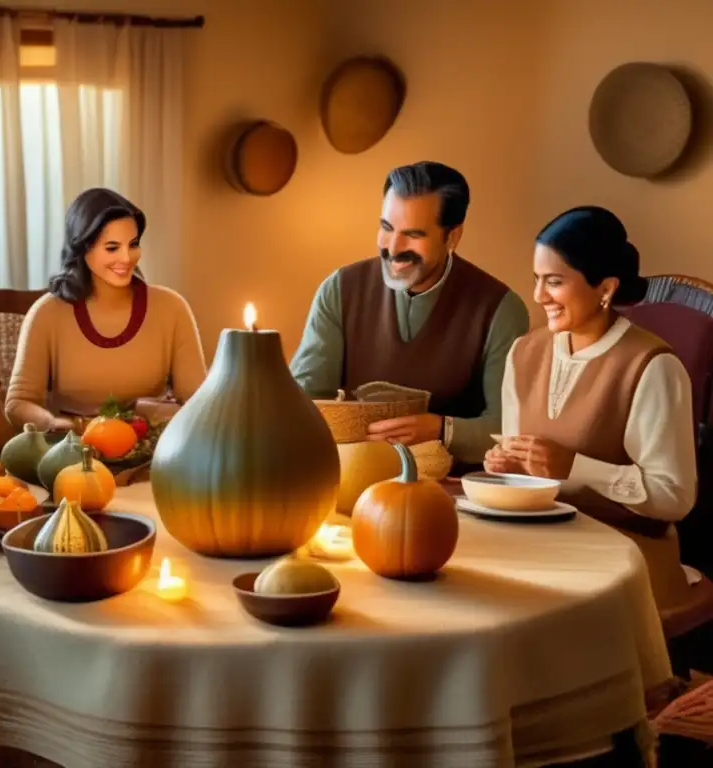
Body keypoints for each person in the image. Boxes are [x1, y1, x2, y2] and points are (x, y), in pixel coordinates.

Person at [486, 205, 696, 612]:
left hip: (626, 556)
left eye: (555, 281)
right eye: (537, 280)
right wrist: (510, 466)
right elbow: (526, 465)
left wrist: (574, 466)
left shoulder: (652, 366)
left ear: (606, 288)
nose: (538, 296)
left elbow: (675, 496)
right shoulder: (523, 352)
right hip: (540, 540)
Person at [290, 161, 530, 470]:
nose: (393, 248)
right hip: (351, 481)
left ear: (452, 237)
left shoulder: (501, 309)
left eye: (413, 235)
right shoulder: (339, 290)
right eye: (387, 228)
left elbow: (509, 431)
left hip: (460, 495)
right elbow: (302, 402)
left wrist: (441, 429)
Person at [6, 188, 206, 430]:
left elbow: (198, 404)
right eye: (112, 247)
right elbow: (18, 403)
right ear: (83, 248)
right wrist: (57, 425)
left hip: (151, 452)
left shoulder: (172, 308)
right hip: (72, 453)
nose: (126, 258)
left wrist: (154, 415)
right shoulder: (47, 313)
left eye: (133, 245)